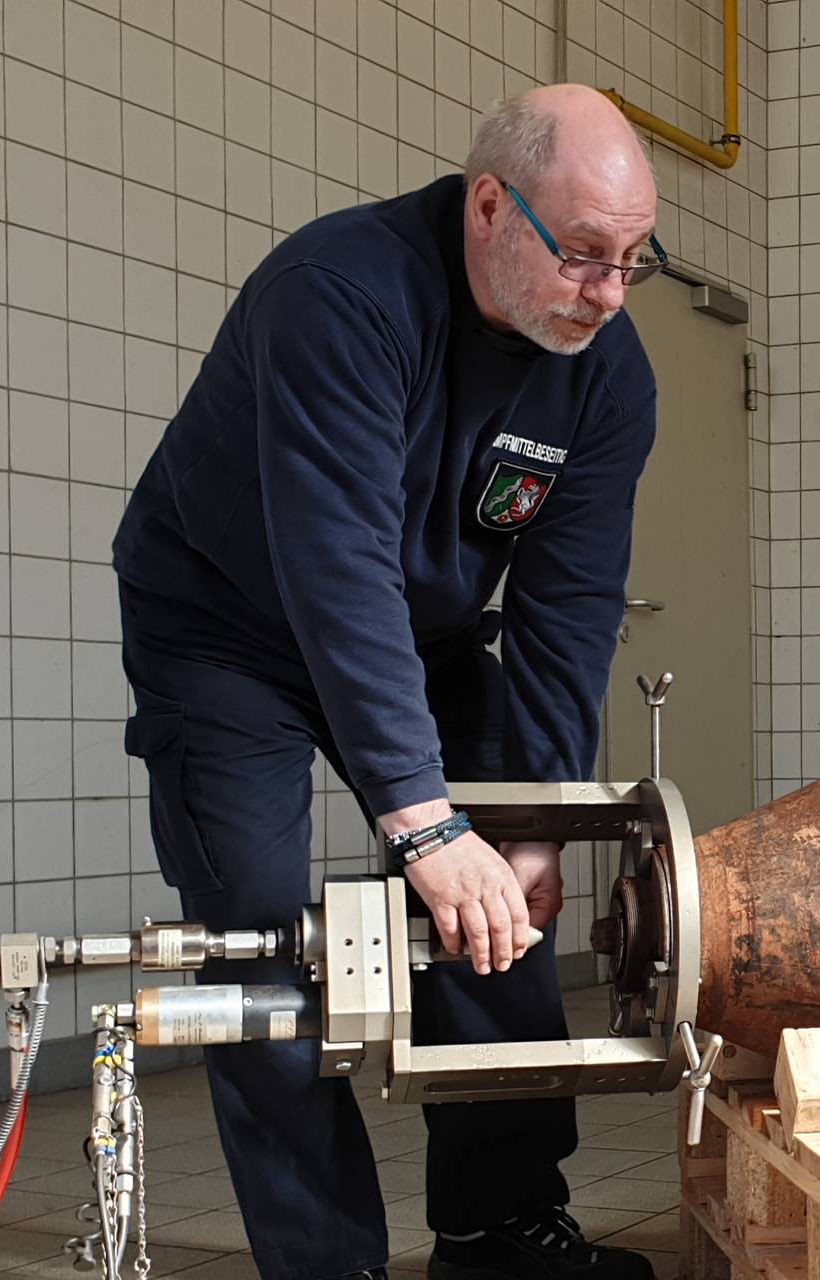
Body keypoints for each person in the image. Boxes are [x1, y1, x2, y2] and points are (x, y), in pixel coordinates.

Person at [109, 84, 664, 1280]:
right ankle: (327, 1261)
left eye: (632, 262)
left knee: (498, 914)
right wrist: (423, 820)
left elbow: (567, 611)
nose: (607, 295)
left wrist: (530, 819)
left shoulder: (607, 376)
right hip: (224, 628)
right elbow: (335, 561)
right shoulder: (342, 295)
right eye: (580, 255)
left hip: (423, 633)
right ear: (485, 207)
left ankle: (497, 1227)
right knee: (259, 938)